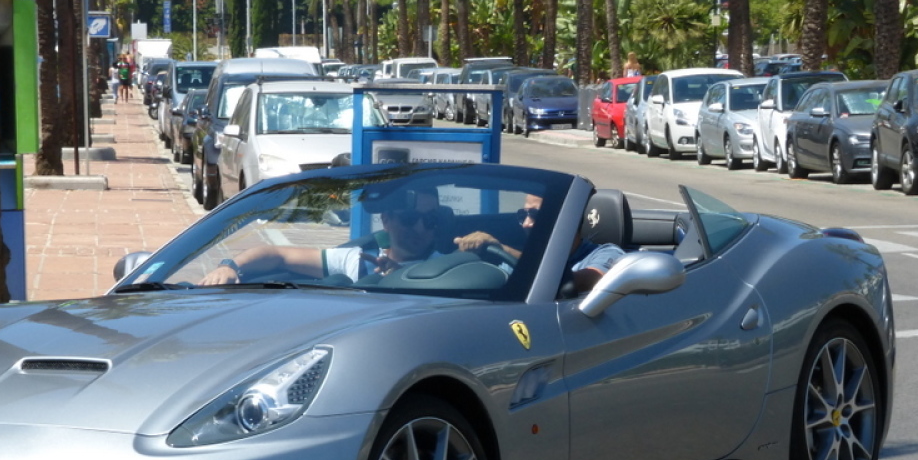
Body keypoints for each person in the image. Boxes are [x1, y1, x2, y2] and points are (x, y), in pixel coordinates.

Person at [200, 188, 450, 285]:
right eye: (409, 219)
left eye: (429, 220)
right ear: (386, 220)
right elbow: (277, 254)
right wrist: (229, 267)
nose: (420, 228)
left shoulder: (447, 266)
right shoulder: (358, 260)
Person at [454, 193, 624, 292]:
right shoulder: (517, 256)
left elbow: (580, 282)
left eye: (536, 215)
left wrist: (503, 249)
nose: (527, 223)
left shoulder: (607, 254)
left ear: (568, 218)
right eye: (523, 215)